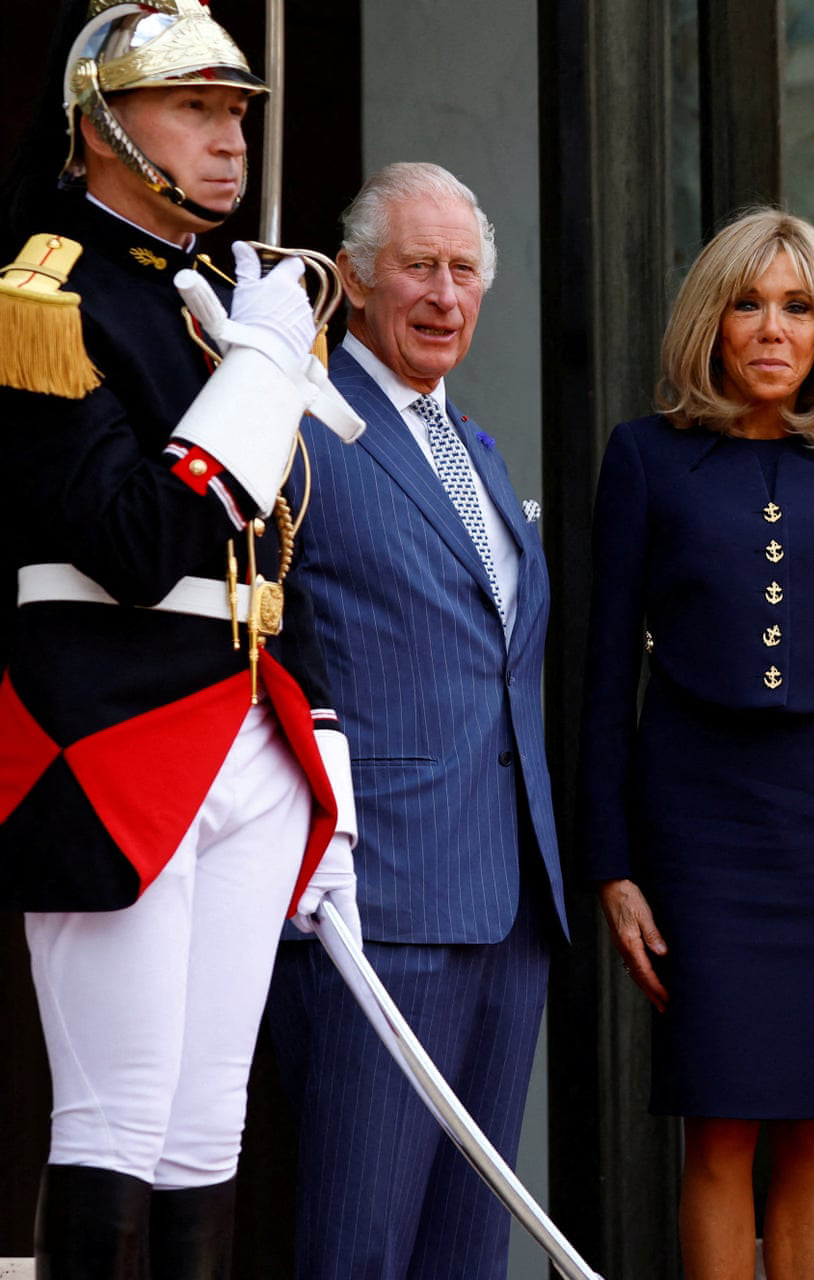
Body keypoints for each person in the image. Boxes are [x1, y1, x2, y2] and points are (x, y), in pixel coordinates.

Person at [0, 1, 358, 1273]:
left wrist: (323, 753)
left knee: (209, 1125)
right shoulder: (45, 291)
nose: (230, 140)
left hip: (250, 726)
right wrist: (259, 373)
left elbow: (281, 551)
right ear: (102, 127)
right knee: (117, 1115)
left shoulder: (218, 297)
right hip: (113, 731)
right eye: (194, 109)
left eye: (237, 112)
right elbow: (136, 544)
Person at [579, 207, 814, 1280]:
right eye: (749, 304)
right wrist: (613, 865)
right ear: (710, 324)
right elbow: (602, 677)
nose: (773, 328)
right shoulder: (644, 457)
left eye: (798, 307)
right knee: (717, 1121)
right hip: (699, 835)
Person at [263, 162, 567, 1280]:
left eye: (465, 271)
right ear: (352, 278)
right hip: (376, 903)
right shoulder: (299, 425)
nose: (445, 295)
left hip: (508, 903)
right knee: (362, 1246)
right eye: (419, 267)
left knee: (466, 1250)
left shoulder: (473, 445)